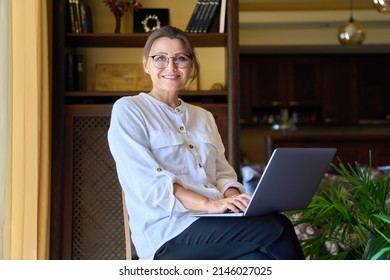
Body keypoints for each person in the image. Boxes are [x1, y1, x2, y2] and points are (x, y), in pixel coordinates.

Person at [108, 25, 305, 260]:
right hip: (168, 233)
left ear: (191, 65)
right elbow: (149, 184)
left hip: (218, 224)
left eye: (180, 58)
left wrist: (233, 198)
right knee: (277, 227)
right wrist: (208, 204)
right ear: (146, 64)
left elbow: (223, 174)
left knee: (259, 260)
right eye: (160, 58)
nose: (170, 66)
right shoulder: (129, 110)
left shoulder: (204, 117)